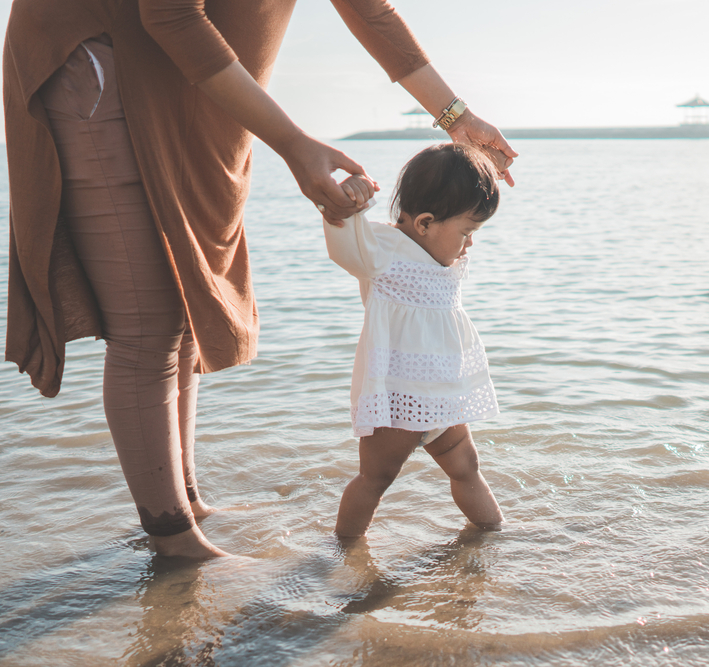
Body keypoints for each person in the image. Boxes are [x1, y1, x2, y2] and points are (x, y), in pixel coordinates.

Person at [3, 0, 516, 560]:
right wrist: (296, 147)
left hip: (198, 86)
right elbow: (171, 15)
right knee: (149, 321)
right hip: (110, 53)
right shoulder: (393, 251)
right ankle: (175, 543)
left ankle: (186, 504)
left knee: (185, 309)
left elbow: (370, 10)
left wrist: (453, 116)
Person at [322, 143, 505, 537]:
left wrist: (488, 167)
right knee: (376, 479)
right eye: (467, 232)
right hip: (398, 398)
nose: (470, 244)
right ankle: (343, 553)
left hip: (443, 394)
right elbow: (346, 246)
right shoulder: (384, 252)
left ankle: (495, 536)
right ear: (423, 223)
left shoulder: (443, 256)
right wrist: (346, 207)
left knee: (466, 467)